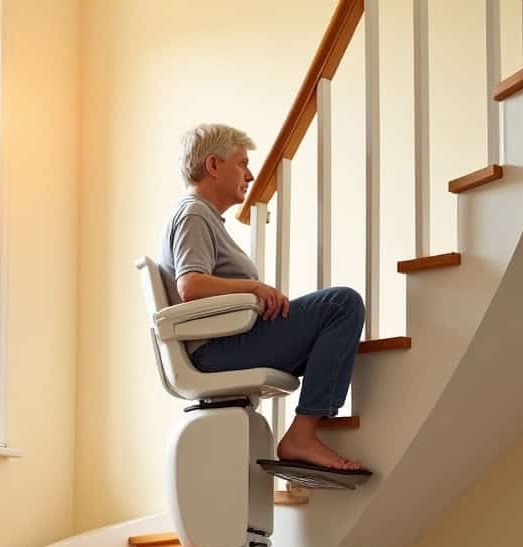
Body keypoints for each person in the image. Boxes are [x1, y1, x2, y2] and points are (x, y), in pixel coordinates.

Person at [157, 123, 368, 473]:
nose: (251, 175)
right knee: (341, 305)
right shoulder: (193, 213)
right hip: (217, 349)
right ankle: (302, 436)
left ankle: (306, 431)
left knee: (333, 331)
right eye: (241, 163)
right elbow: (190, 285)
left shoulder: (204, 216)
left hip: (228, 342)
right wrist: (254, 288)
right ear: (213, 165)